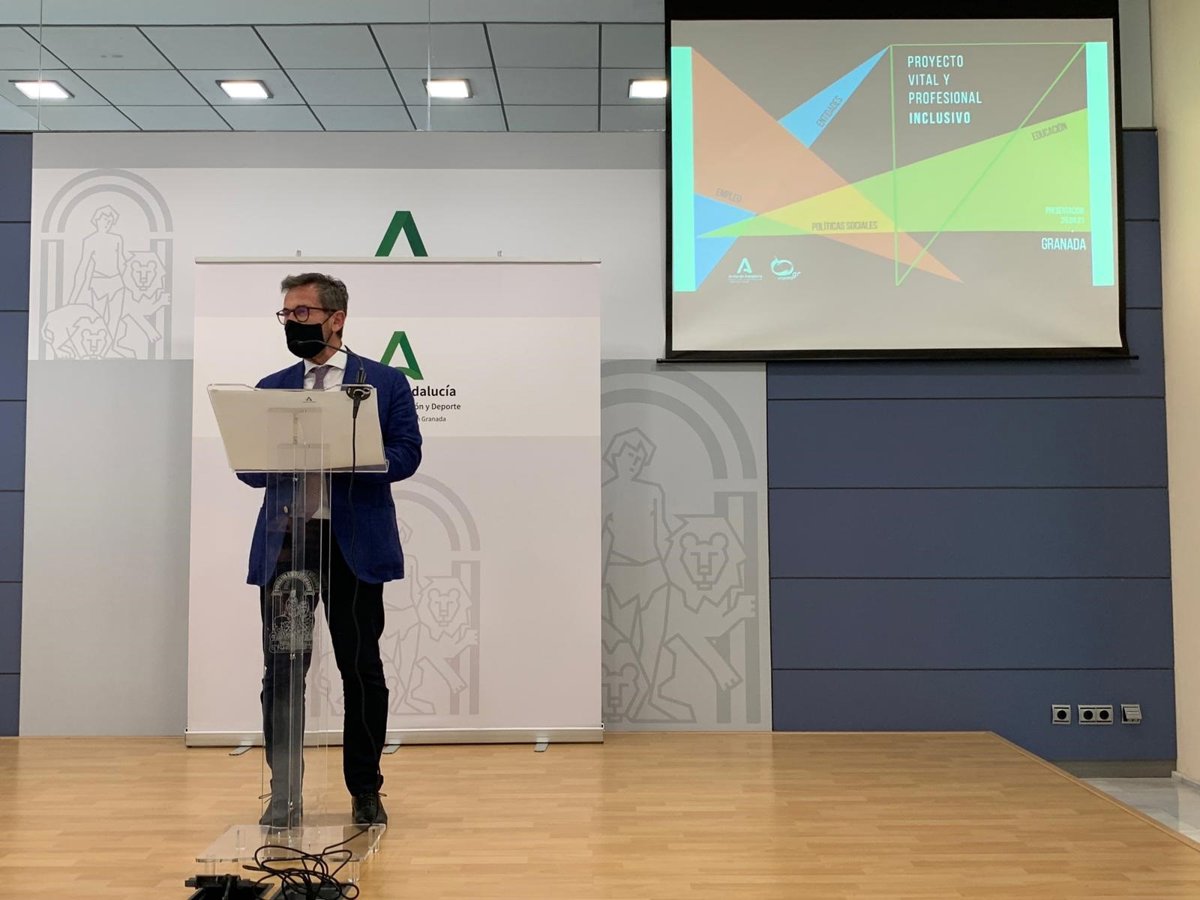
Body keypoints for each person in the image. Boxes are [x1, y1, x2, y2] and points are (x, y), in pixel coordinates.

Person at [238, 272, 422, 827]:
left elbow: (407, 455)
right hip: (287, 546)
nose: (292, 322)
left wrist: (349, 454)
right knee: (282, 672)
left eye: (302, 313)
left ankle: (365, 791)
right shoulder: (271, 387)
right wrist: (282, 453)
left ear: (335, 319)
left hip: (354, 548)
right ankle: (284, 794)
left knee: (361, 669)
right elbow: (250, 470)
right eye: (286, 314)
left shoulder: (383, 382)